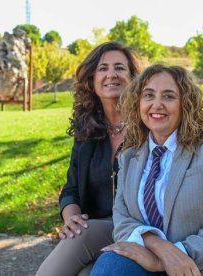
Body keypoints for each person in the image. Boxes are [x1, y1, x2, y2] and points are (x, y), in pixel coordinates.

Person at [91, 64, 203, 276]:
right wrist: (156, 244)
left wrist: (166, 260)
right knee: (111, 265)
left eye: (169, 96)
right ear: (138, 103)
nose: (157, 104)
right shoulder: (129, 156)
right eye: (148, 95)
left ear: (186, 104)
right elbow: (122, 219)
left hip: (199, 267)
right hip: (144, 260)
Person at [36, 42, 141, 276]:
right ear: (93, 80)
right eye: (103, 68)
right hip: (93, 229)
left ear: (134, 79)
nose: (111, 74)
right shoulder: (87, 133)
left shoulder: (148, 128)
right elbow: (71, 189)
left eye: (119, 68)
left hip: (138, 229)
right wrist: (71, 218)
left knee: (81, 239)